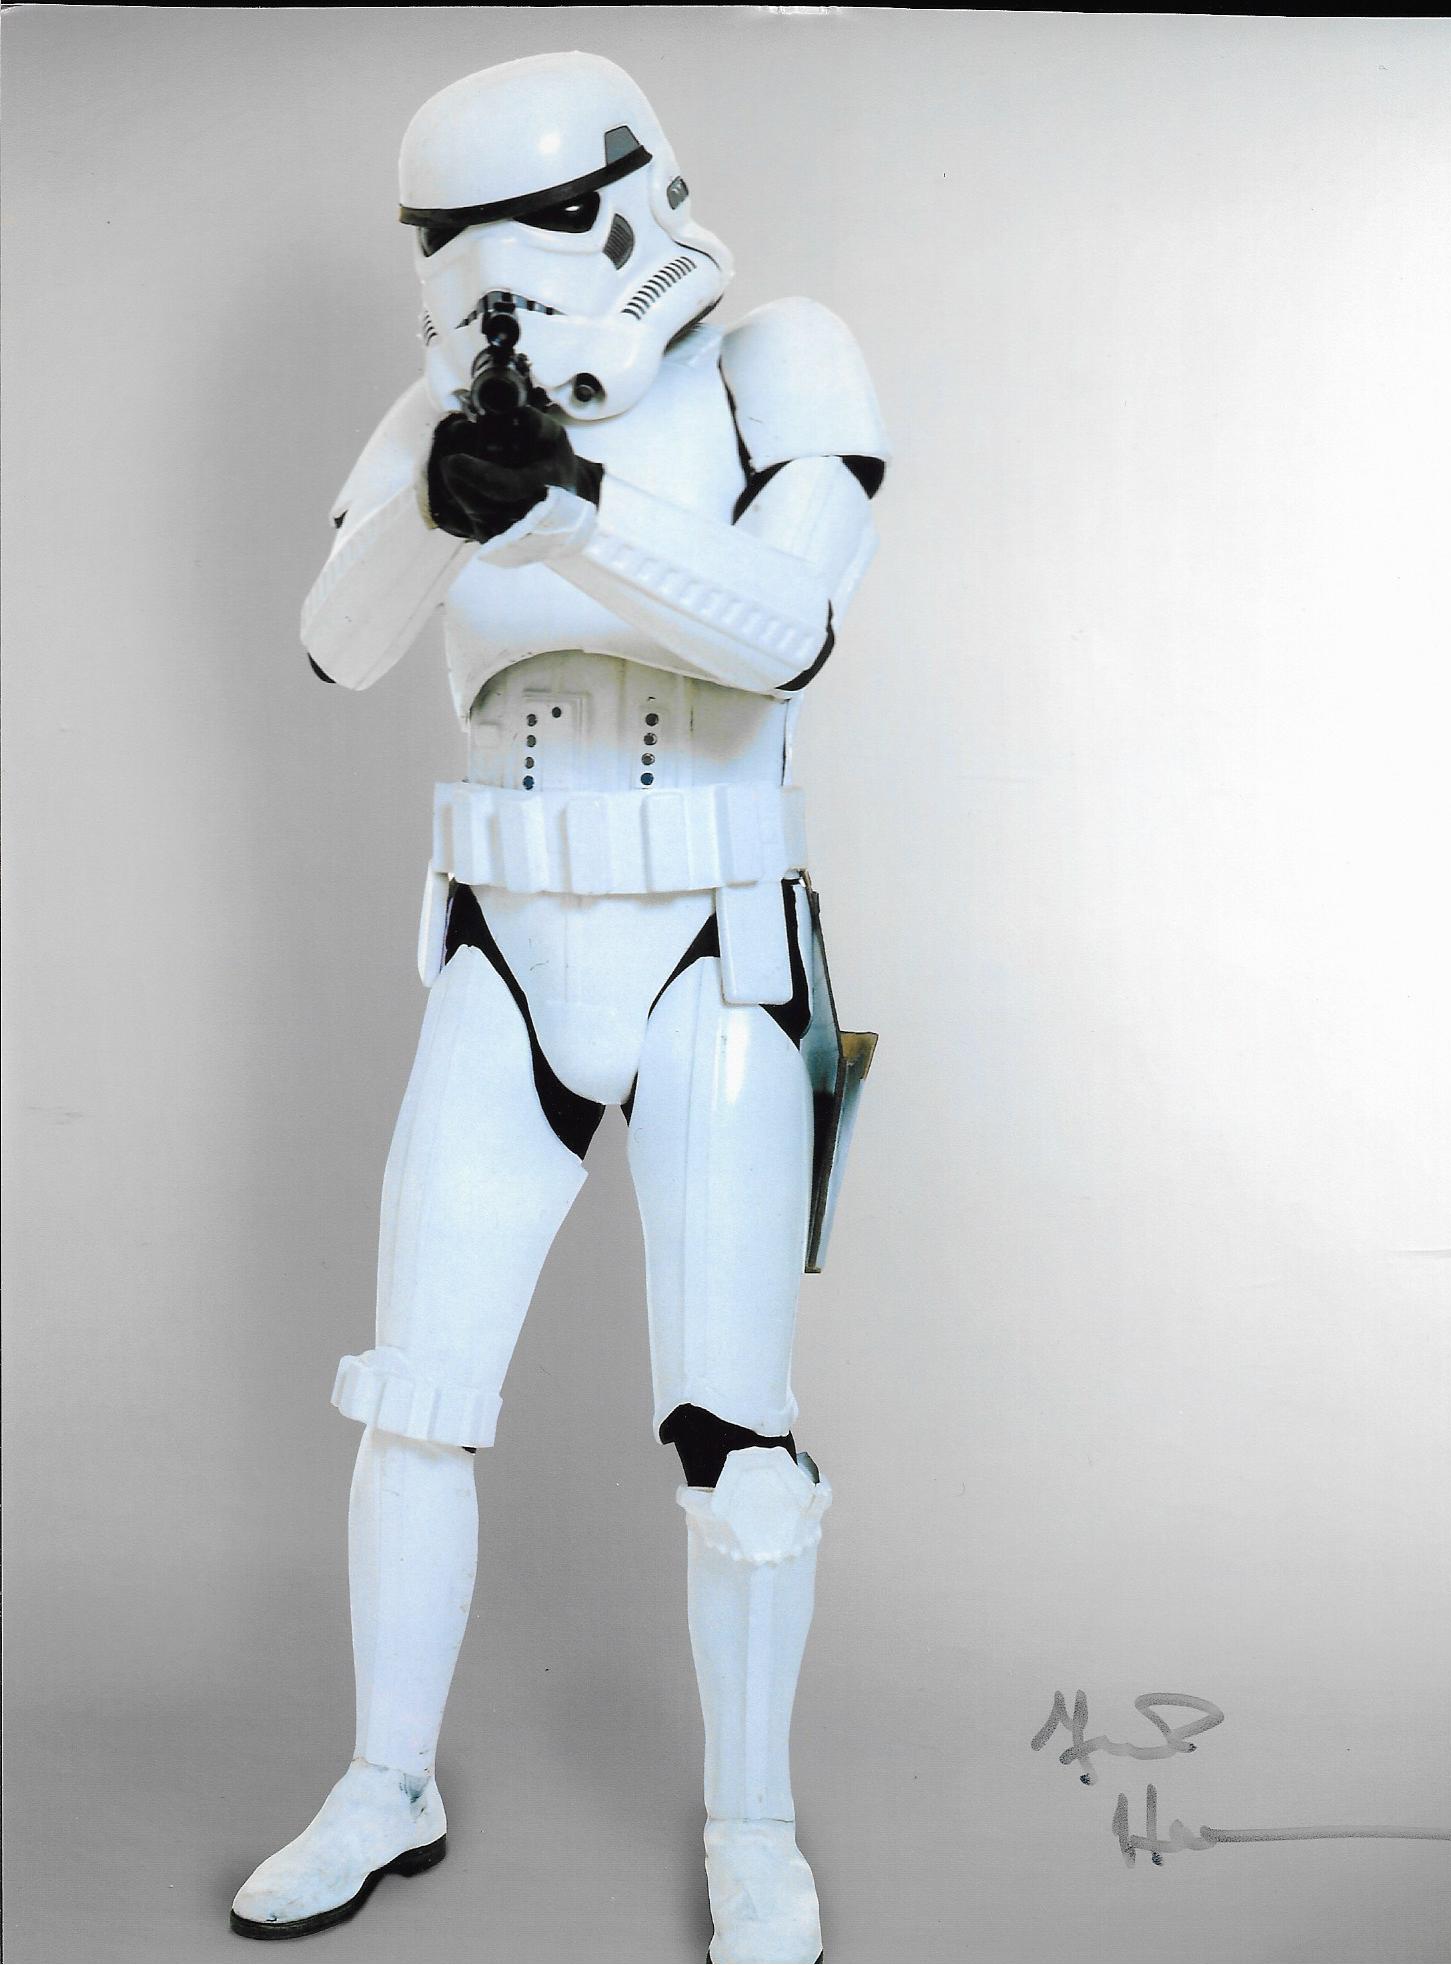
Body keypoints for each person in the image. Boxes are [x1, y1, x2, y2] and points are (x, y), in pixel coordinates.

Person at [230, 50, 887, 1965]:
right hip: (506, 952)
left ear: (626, 204)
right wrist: (443, 506)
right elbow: (339, 643)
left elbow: (790, 628)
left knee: (738, 1446)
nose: (491, 295)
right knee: (414, 1400)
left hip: (713, 955)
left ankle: (752, 1824)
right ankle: (389, 1777)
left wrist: (577, 510)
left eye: (526, 242)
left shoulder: (777, 368)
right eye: (453, 257)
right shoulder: (445, 411)